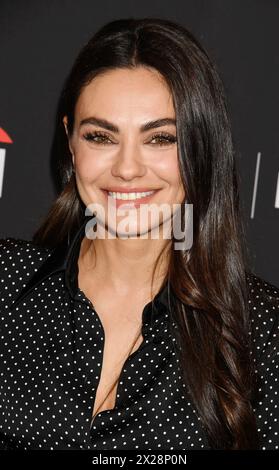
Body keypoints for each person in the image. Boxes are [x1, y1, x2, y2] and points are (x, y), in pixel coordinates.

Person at [0, 17, 278, 451]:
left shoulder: (264, 329)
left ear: (199, 150)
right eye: (100, 136)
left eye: (160, 138)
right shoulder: (7, 281)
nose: (127, 168)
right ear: (71, 143)